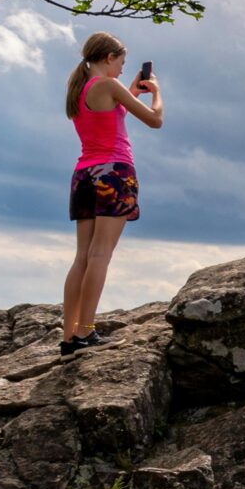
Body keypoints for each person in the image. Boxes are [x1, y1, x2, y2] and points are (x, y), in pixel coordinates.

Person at [58, 32, 163, 354]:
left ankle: (68, 335)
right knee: (100, 254)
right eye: (120, 62)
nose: (121, 69)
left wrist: (130, 91)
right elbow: (155, 120)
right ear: (108, 58)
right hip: (114, 173)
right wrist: (156, 93)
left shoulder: (79, 89)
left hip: (85, 175)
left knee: (83, 257)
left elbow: (109, 112)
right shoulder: (109, 86)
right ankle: (86, 332)